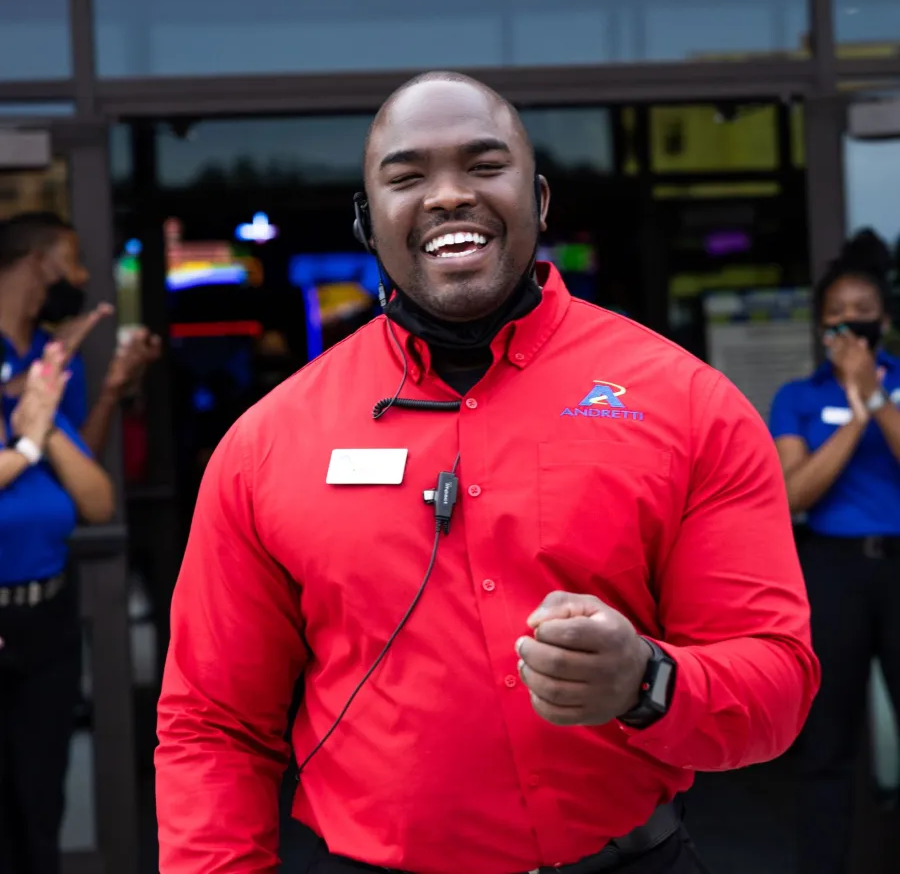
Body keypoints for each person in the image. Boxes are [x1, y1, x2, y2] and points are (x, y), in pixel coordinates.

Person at [156, 72, 820, 874]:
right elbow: (212, 725)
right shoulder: (266, 445)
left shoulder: (686, 404)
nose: (447, 197)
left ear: (538, 199)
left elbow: (777, 681)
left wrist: (650, 681)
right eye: (407, 177)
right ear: (368, 222)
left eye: (483, 165)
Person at [769, 230, 900, 874]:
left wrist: (876, 398)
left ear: (886, 320)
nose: (851, 324)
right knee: (828, 744)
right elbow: (795, 495)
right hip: (832, 572)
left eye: (863, 312)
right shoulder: (798, 397)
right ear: (821, 326)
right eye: (837, 315)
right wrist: (852, 414)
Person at [0, 222, 115, 874]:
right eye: (66, 264)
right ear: (36, 264)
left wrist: (68, 401)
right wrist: (26, 434)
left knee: (39, 794)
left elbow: (92, 496)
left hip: (46, 607)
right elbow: (28, 440)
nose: (74, 280)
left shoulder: (44, 357)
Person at [0, 212, 161, 458]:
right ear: (38, 262)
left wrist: (112, 390)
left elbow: (84, 459)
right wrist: (48, 365)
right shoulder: (58, 352)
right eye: (73, 261)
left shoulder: (59, 351)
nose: (82, 277)